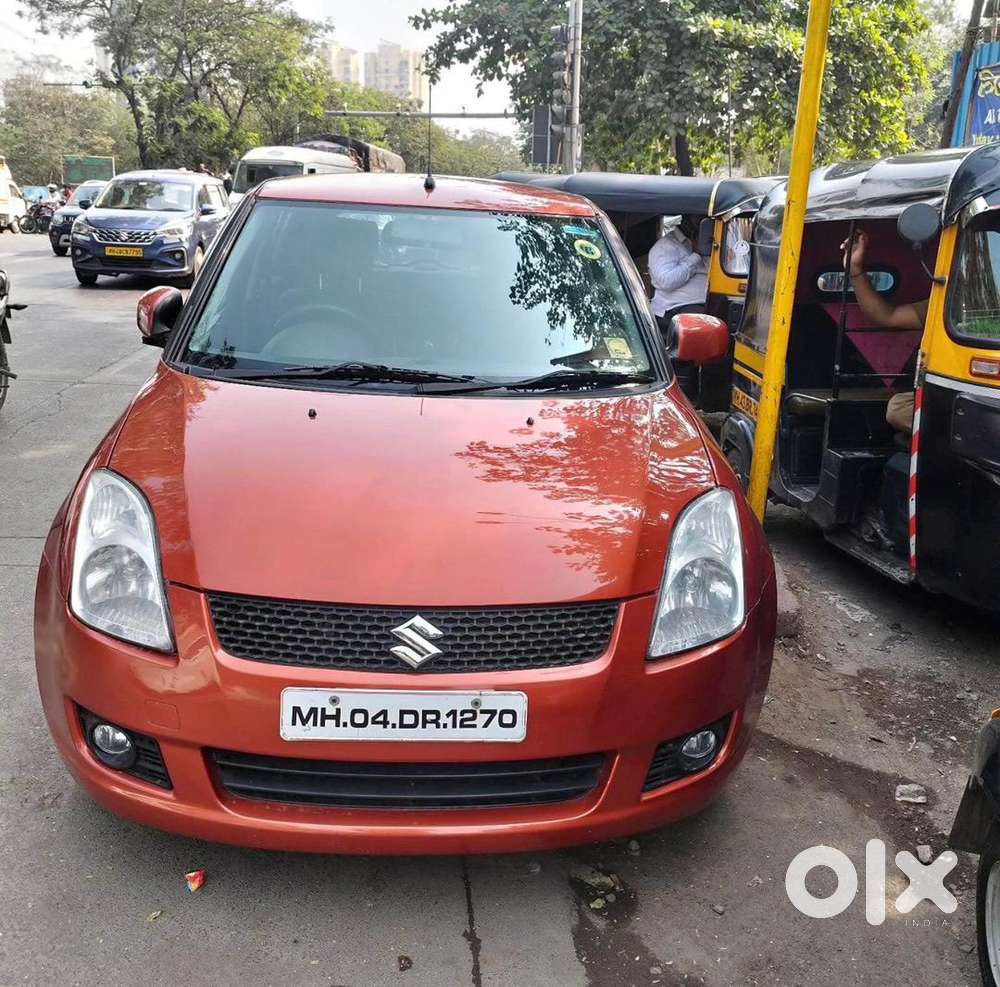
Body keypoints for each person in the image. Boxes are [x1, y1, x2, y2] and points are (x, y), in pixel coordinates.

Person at [842, 229, 927, 435]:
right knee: (899, 409)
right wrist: (855, 269)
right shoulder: (958, 304)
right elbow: (886, 315)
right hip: (956, 393)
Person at [648, 216, 708, 336]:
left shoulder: (709, 243)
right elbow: (666, 281)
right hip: (677, 308)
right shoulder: (665, 246)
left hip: (707, 302)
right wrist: (696, 256)